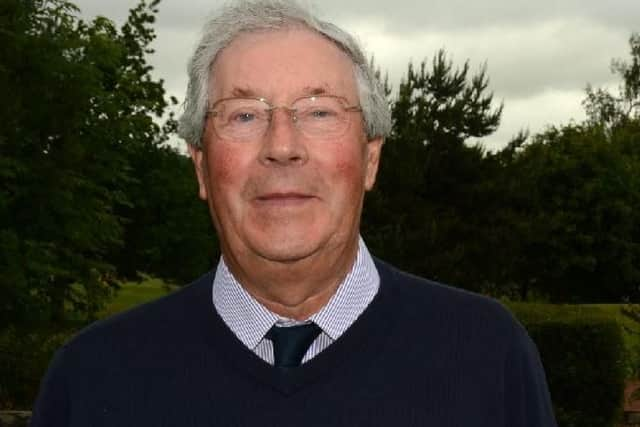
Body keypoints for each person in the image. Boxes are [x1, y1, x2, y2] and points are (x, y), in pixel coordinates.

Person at [31, 1, 558, 425]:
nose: (282, 146)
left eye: (319, 111)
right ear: (201, 168)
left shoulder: (488, 356)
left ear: (370, 158)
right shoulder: (93, 380)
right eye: (243, 115)